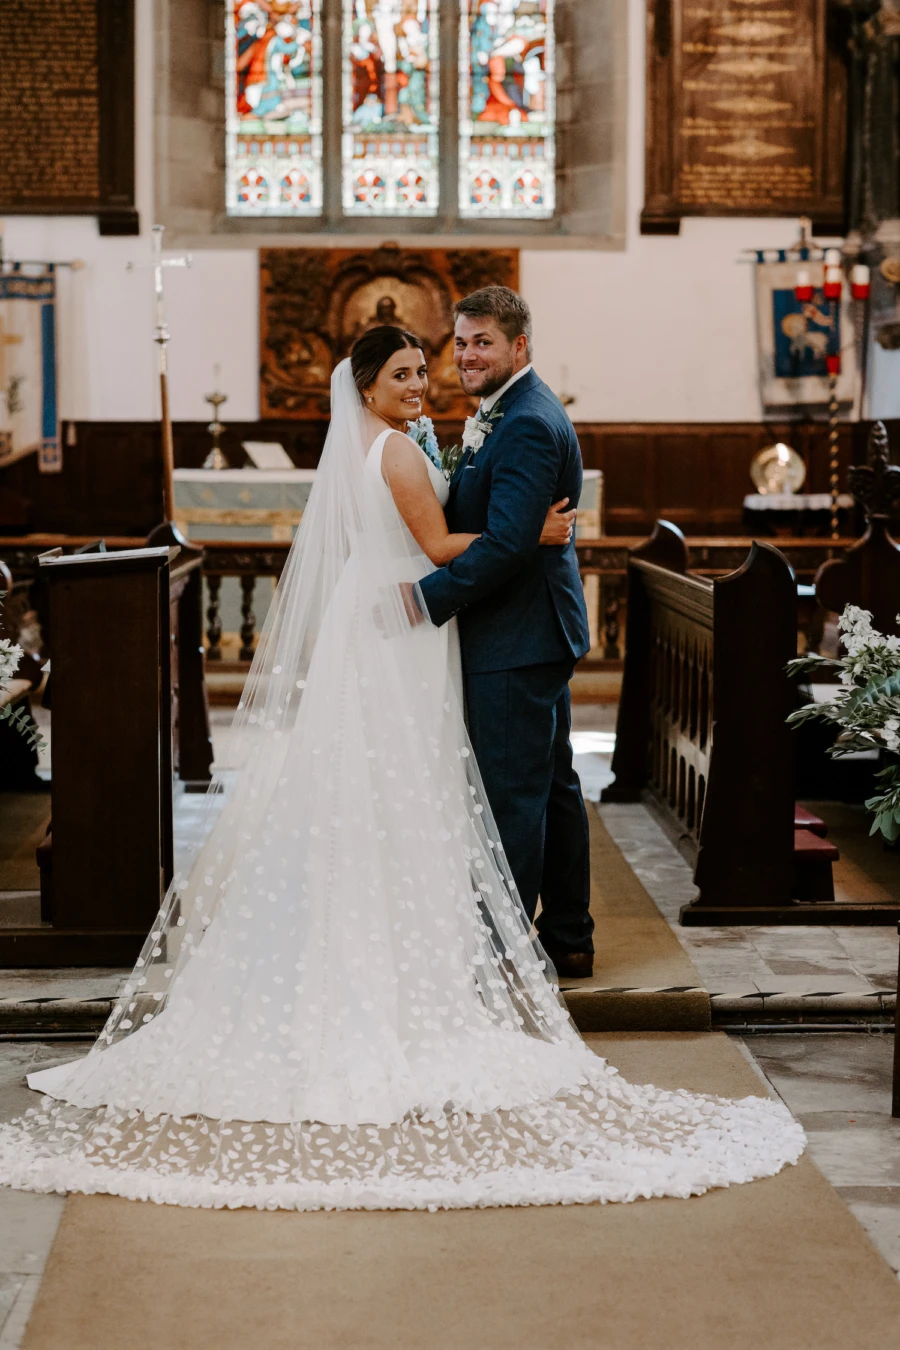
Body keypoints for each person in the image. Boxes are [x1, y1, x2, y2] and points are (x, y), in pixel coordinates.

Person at [0, 327, 803, 1212]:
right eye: (403, 374)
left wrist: (495, 525)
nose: (422, 384)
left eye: (426, 370)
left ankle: (394, 935)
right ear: (367, 387)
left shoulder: (371, 445)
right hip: (401, 630)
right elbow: (441, 543)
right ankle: (398, 959)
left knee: (376, 790)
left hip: (377, 627)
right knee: (400, 787)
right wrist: (528, 530)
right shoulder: (396, 453)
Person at [415, 286, 593, 978]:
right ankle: (569, 934)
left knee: (512, 796)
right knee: (550, 786)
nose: (467, 354)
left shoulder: (523, 420)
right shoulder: (505, 410)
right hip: (534, 631)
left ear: (520, 345)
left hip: (517, 636)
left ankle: (503, 955)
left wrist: (425, 599)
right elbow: (512, 528)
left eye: (482, 341)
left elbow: (509, 546)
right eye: (460, 342)